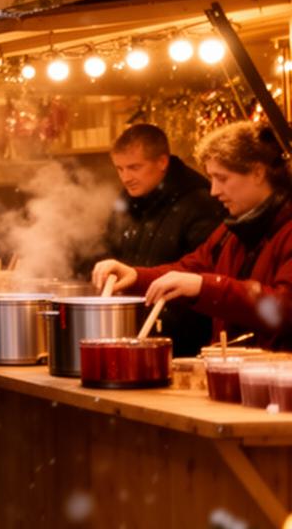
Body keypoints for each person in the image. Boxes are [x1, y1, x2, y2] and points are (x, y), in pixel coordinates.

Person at [95, 121, 292, 348]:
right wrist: (135, 276)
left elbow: (284, 307)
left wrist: (204, 286)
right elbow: (192, 267)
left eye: (223, 178)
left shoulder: (285, 229)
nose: (214, 191)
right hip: (237, 369)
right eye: (212, 178)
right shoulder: (231, 231)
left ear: (258, 173)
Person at [95, 123, 225, 355]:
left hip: (184, 343)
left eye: (134, 167)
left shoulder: (201, 201)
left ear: (162, 162)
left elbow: (203, 271)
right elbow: (109, 247)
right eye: (120, 169)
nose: (126, 177)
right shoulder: (126, 200)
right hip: (136, 332)